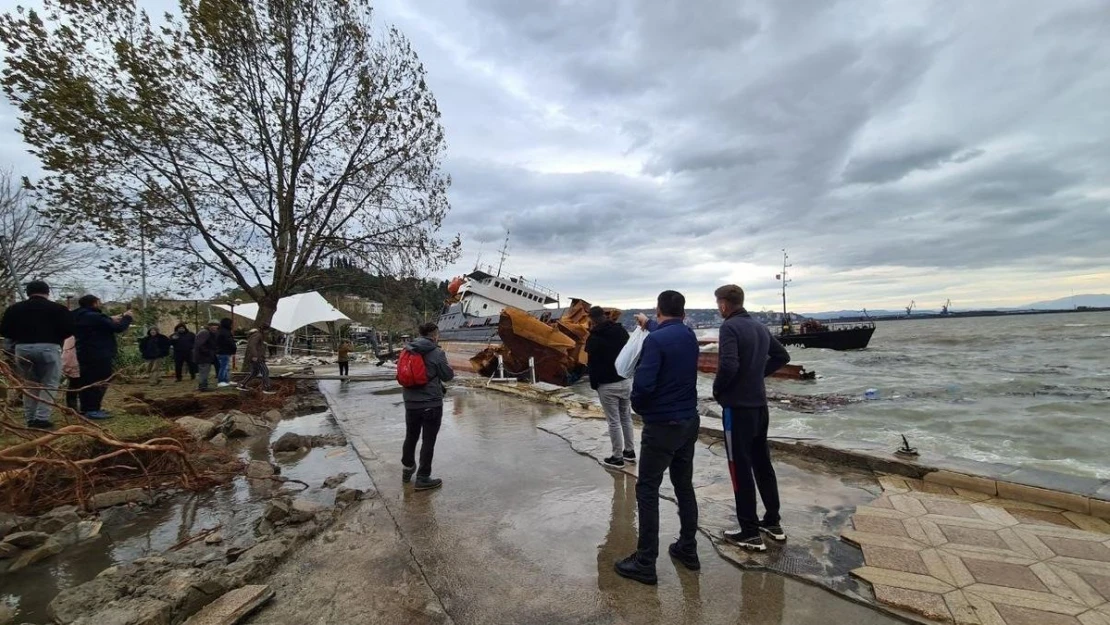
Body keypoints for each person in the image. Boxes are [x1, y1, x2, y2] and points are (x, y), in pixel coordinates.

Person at [614, 290, 701, 586]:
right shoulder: (689, 336)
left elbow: (644, 386)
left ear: (658, 309)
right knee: (683, 485)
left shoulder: (655, 341)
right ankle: (688, 548)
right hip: (689, 422)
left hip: (663, 425)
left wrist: (639, 406)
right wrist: (647, 322)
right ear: (684, 313)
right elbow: (668, 331)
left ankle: (645, 562)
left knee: (647, 489)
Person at [712, 284, 791, 551]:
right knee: (762, 463)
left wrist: (718, 389)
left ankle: (749, 531)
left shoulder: (729, 328)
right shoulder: (759, 327)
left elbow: (729, 364)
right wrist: (757, 375)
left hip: (737, 407)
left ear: (724, 304)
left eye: (718, 304)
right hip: (759, 406)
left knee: (739, 467)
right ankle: (772, 521)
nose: (718, 308)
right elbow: (782, 356)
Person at [0, 280, 75, 428]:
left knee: (30, 385)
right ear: (47, 292)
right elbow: (69, 330)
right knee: (49, 383)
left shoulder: (14, 309)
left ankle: (30, 418)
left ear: (28, 292)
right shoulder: (58, 309)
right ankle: (41, 419)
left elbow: (5, 331)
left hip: (22, 348)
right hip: (49, 347)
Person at [400, 322, 454, 491]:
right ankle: (423, 478)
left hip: (410, 402)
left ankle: (408, 468)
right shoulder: (436, 352)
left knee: (411, 436)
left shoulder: (407, 349)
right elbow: (447, 376)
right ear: (434, 335)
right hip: (431, 403)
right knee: (428, 440)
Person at [584, 305, 635, 467]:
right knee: (626, 417)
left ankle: (617, 457)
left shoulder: (594, 337)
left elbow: (589, 359)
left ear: (591, 319)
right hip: (625, 380)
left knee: (614, 421)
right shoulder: (620, 331)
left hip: (607, 384)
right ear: (605, 316)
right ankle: (630, 451)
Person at [72, 295, 132, 419]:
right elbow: (117, 328)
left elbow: (100, 323)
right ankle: (93, 409)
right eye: (99, 302)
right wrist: (127, 317)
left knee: (87, 381)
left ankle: (86, 408)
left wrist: (109, 318)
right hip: (99, 353)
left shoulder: (78, 315)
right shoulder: (94, 317)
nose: (100, 304)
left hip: (84, 352)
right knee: (99, 381)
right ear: (94, 303)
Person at [238, 326, 275, 394]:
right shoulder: (258, 335)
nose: (268, 333)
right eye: (268, 331)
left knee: (254, 372)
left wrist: (262, 343)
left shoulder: (257, 335)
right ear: (265, 330)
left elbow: (255, 344)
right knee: (265, 371)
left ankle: (242, 384)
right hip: (257, 358)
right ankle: (266, 388)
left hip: (255, 357)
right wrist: (255, 355)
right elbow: (252, 345)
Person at [193, 321, 220, 392]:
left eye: (217, 327)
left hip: (205, 356)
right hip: (203, 356)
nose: (216, 328)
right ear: (210, 326)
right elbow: (200, 345)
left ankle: (202, 386)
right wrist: (209, 352)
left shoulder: (209, 333)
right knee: (204, 371)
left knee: (205, 371)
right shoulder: (205, 333)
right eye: (214, 326)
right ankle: (203, 387)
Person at [215, 318, 236, 387]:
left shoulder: (221, 331)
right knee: (223, 367)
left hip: (223, 351)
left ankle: (226, 380)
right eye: (231, 324)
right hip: (224, 352)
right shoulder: (225, 332)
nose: (232, 325)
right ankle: (221, 381)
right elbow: (229, 342)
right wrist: (234, 348)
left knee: (226, 367)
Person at [62, 335, 80, 413]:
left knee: (74, 383)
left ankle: (72, 406)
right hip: (73, 358)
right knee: (75, 383)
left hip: (70, 357)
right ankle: (71, 406)